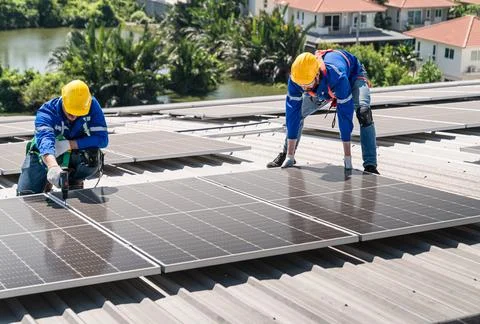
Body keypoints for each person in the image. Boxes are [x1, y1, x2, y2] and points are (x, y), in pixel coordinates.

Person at [267, 49, 379, 174]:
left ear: (317, 75)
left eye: (307, 84)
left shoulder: (337, 77)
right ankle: (286, 153)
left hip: (353, 76)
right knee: (297, 114)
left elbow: (344, 116)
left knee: (364, 113)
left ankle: (370, 165)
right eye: (301, 85)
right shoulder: (298, 77)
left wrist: (347, 157)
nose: (304, 88)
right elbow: (292, 113)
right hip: (323, 87)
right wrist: (289, 155)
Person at [17, 80, 108, 195]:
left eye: (79, 113)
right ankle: (49, 178)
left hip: (75, 152)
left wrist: (70, 144)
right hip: (46, 154)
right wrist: (52, 166)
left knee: (91, 156)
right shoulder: (47, 112)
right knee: (26, 194)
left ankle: (73, 180)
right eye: (71, 112)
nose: (74, 116)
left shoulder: (91, 105)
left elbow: (102, 139)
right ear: (63, 100)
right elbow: (45, 140)